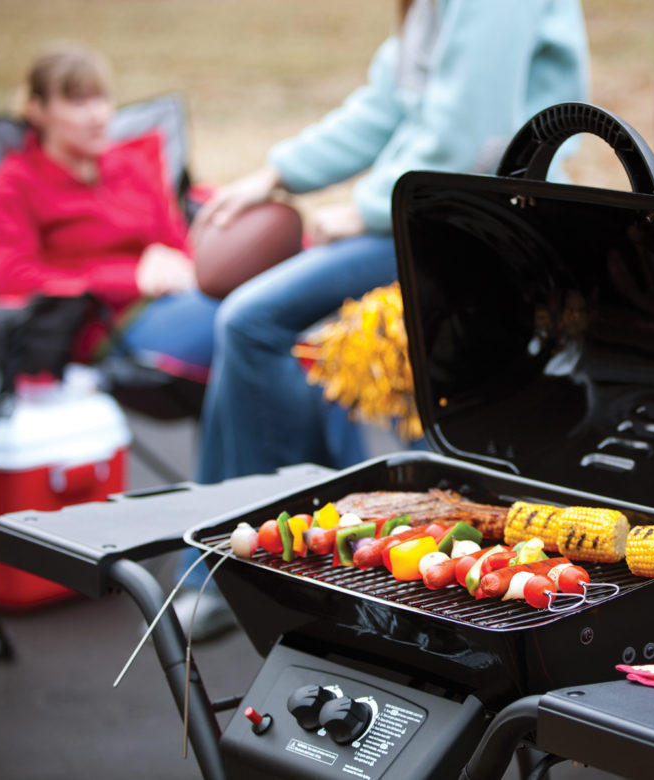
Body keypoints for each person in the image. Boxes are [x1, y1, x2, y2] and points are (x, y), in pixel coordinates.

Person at [171, 0, 591, 641]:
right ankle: (286, 541)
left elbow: (466, 129)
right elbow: (386, 106)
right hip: (429, 203)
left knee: (253, 321)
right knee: (253, 324)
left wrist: (365, 208)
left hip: (483, 215)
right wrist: (275, 174)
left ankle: (252, 559)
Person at [0, 45, 218, 382]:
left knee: (258, 307)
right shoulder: (15, 183)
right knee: (242, 325)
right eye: (78, 102)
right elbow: (13, 278)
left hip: (172, 300)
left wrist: (173, 266)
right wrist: (130, 279)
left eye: (101, 99)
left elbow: (178, 245)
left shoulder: (133, 166)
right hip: (93, 328)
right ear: (38, 110)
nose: (98, 115)